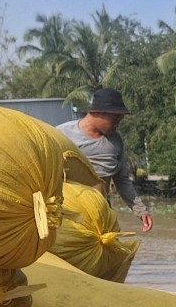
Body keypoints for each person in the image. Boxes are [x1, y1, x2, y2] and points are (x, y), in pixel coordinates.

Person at [56, 88, 153, 232]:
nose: (117, 125)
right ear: (95, 113)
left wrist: (140, 210)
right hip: (69, 215)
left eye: (119, 121)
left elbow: (122, 180)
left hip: (101, 212)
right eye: (114, 120)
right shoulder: (62, 134)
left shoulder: (115, 141)